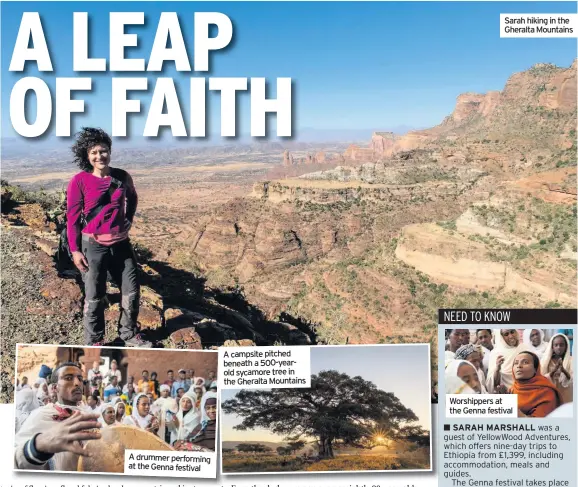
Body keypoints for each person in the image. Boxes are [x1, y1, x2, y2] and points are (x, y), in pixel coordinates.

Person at [66, 127, 152, 347]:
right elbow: (73, 219)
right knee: (94, 296)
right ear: (87, 156)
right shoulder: (79, 181)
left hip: (121, 245)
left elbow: (132, 197)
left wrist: (129, 219)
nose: (99, 156)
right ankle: (95, 341)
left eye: (103, 151)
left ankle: (129, 334)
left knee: (131, 291)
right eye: (94, 152)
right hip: (93, 246)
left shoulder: (121, 176)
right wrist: (75, 250)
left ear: (110, 151)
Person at [14, 362, 102, 471]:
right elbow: (13, 460)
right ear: (55, 387)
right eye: (69, 378)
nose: (77, 383)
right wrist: (39, 445)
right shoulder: (41, 415)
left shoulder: (88, 416)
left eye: (80, 378)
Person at [511, 351, 560, 418]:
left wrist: (513, 410)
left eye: (525, 362)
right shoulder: (512, 389)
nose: (519, 366)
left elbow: (538, 424)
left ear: (535, 369)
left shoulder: (546, 392)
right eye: (516, 363)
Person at [486, 329, 531, 393]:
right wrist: (497, 368)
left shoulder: (524, 348)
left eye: (512, 332)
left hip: (526, 391)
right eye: (506, 334)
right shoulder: (495, 353)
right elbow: (492, 383)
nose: (511, 336)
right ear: (501, 337)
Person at [541, 333, 573, 404]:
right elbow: (541, 378)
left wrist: (563, 371)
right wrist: (553, 371)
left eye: (561, 345)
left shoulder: (572, 360)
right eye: (556, 345)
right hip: (550, 394)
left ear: (566, 347)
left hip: (566, 394)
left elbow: (573, 380)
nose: (559, 347)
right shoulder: (546, 361)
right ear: (552, 347)